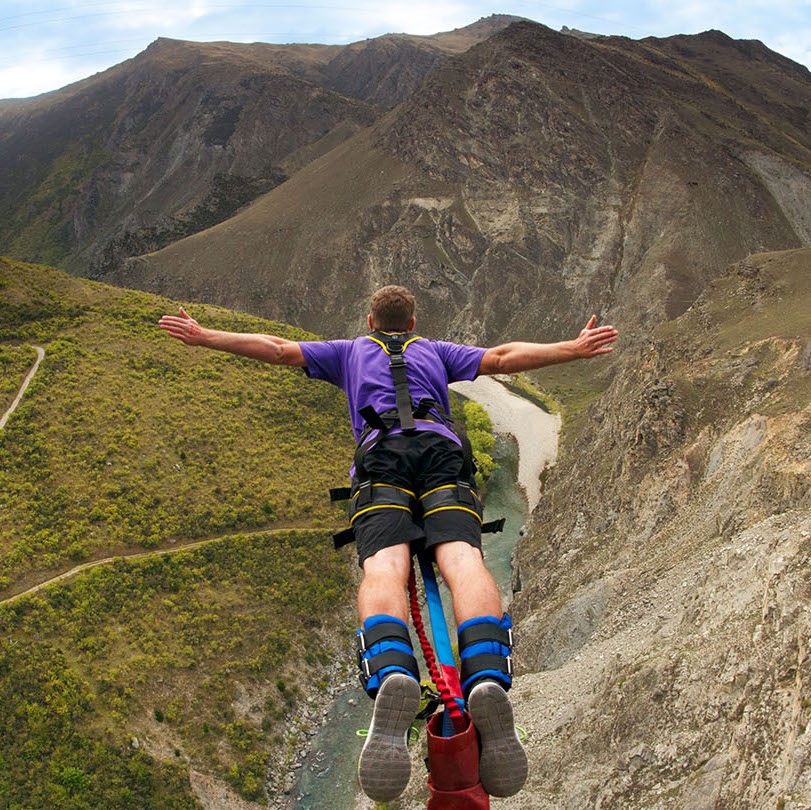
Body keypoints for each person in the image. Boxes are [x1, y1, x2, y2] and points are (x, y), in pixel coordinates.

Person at [158, 286, 617, 802]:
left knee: (384, 567)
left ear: (370, 320)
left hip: (382, 467)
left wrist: (205, 337)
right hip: (442, 457)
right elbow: (505, 356)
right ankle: (485, 671)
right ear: (413, 321)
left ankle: (395, 669)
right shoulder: (436, 351)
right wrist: (572, 349)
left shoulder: (350, 351)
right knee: (463, 560)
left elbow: (277, 347)